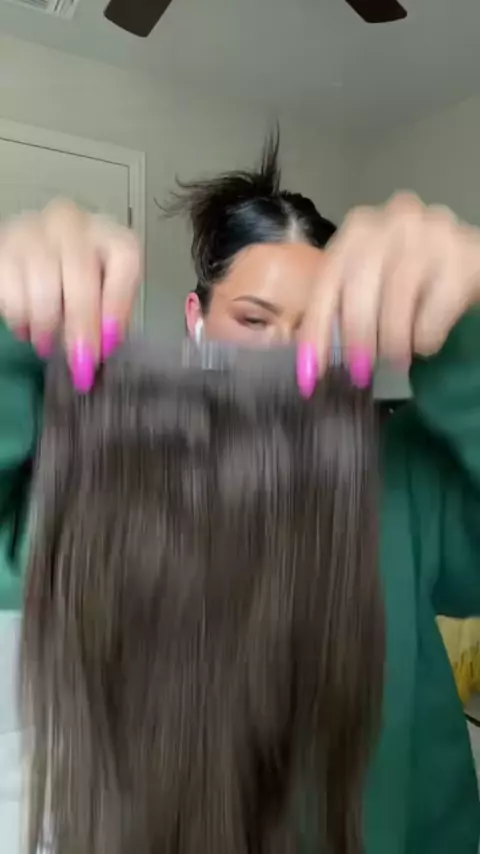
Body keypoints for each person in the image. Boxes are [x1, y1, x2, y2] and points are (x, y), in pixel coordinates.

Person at [1, 136, 479, 854]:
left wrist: (471, 331)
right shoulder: (122, 468)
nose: (284, 354)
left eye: (316, 327)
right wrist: (11, 334)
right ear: (196, 319)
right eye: (254, 320)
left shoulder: (406, 473)